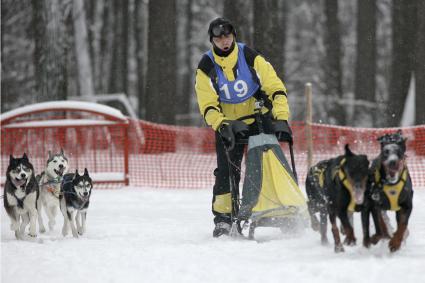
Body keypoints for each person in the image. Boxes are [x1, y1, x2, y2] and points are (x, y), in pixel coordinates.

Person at [194, 17, 292, 237]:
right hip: (227, 124)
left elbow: (274, 85)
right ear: (212, 41)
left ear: (234, 37)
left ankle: (276, 209)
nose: (224, 42)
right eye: (219, 38)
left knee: (267, 162)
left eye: (227, 36)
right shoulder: (206, 66)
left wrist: (281, 117)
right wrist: (221, 125)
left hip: (258, 117)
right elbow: (207, 103)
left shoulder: (250, 56)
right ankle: (223, 219)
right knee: (226, 171)